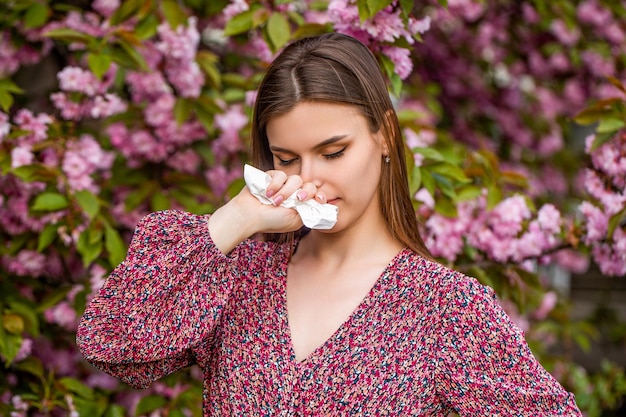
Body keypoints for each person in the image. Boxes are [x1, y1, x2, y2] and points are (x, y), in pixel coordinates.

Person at [77, 33, 582, 416]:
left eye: (333, 152)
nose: (310, 179)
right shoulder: (239, 273)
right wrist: (235, 219)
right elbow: (112, 344)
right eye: (288, 158)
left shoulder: (447, 310)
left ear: (384, 136)